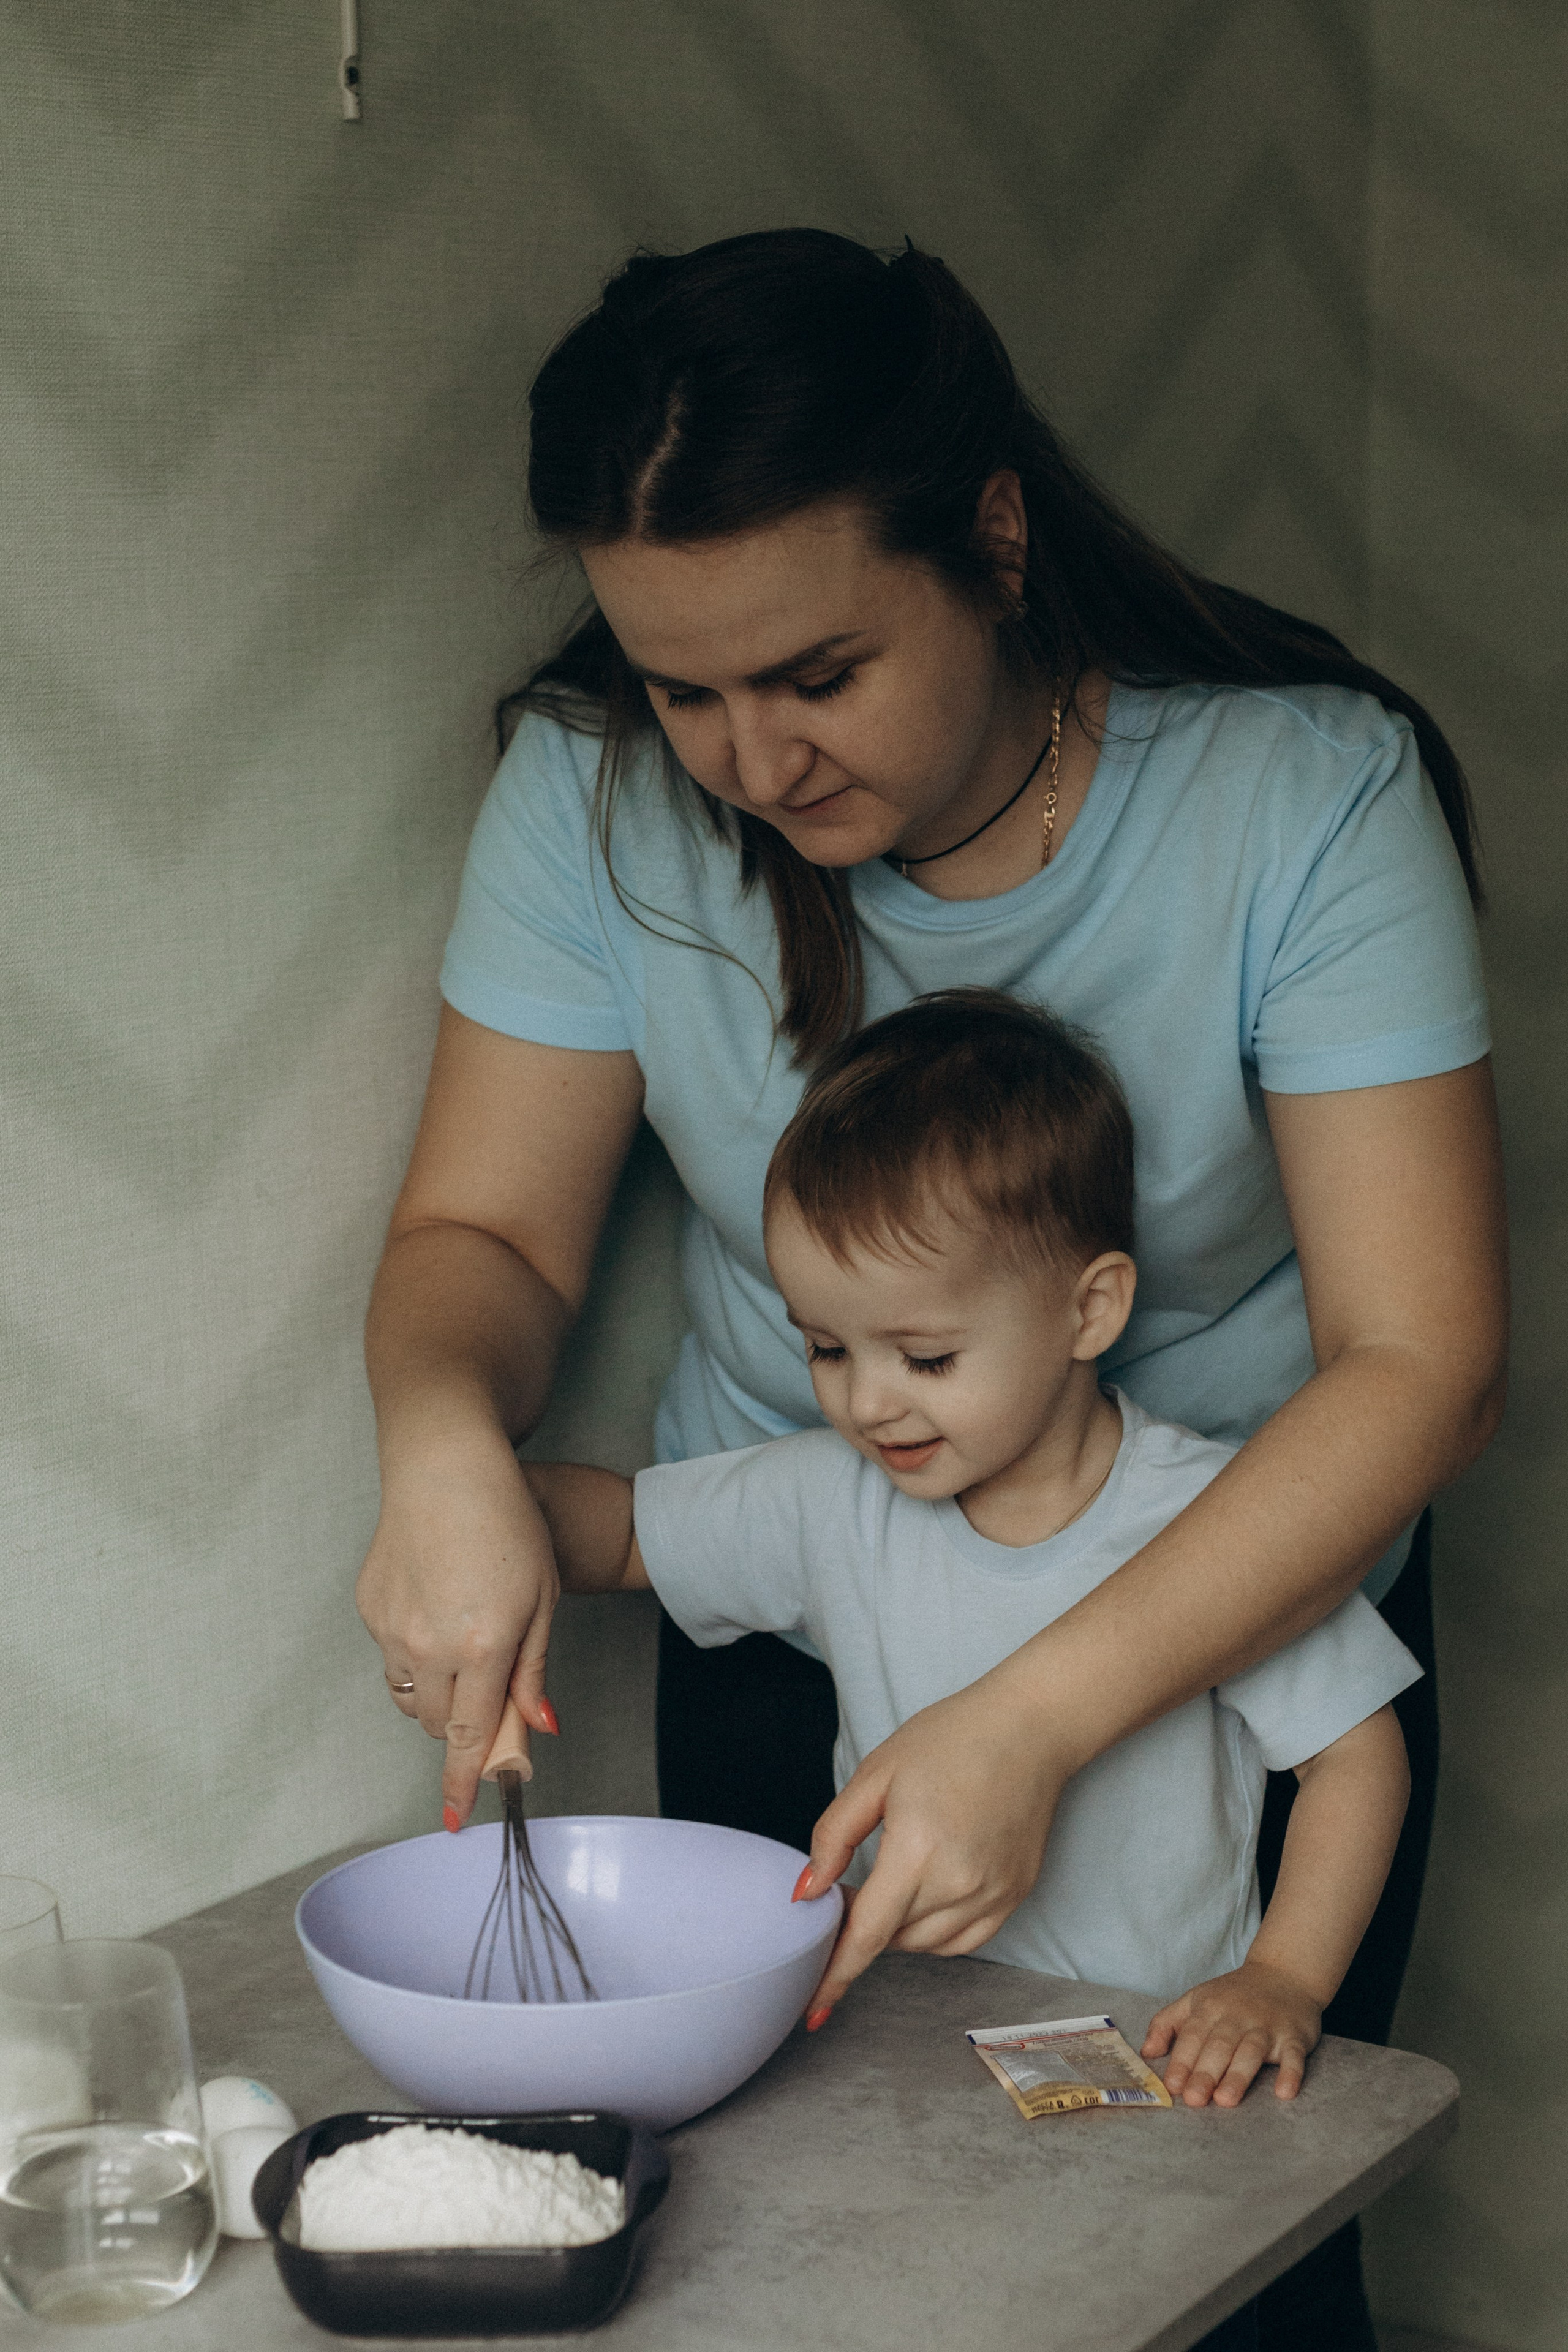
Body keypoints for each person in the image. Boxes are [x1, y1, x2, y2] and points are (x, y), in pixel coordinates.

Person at [357, 230, 1507, 2348]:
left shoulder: (1303, 793)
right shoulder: (589, 800)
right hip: (817, 1634)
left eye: (815, 676)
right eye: (680, 688)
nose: (747, 766)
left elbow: (1423, 1359)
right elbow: (487, 1244)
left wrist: (1039, 1713)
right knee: (822, 2249)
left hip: (1229, 1617)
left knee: (1201, 2245)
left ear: (989, 540)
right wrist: (449, 1452)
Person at [513, 991, 1420, 2122]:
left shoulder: (1218, 1521)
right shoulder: (829, 1496)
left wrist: (1282, 1976)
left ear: (1089, 1311)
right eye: (828, 1347)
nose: (868, 1402)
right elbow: (620, 1535)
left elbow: (1359, 1758)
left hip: (1161, 2068)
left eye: (928, 1356)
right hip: (904, 2061)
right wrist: (465, 1506)